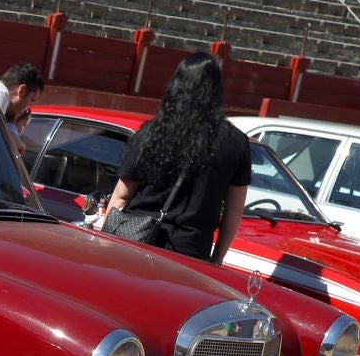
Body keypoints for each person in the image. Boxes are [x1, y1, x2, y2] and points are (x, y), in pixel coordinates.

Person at [102, 52, 250, 262]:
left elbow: (120, 196)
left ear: (177, 85)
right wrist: (217, 259)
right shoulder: (235, 142)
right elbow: (234, 211)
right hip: (190, 252)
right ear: (216, 89)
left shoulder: (151, 132)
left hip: (134, 243)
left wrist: (106, 244)